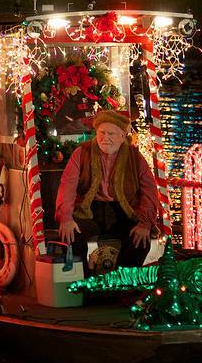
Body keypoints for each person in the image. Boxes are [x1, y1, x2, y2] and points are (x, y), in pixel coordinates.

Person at [56, 110, 159, 269]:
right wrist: (66, 218)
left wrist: (145, 223)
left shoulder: (134, 157)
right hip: (88, 209)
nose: (105, 138)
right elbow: (67, 186)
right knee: (70, 237)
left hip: (124, 209)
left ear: (122, 136)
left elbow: (149, 191)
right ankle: (84, 284)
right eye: (102, 133)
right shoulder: (82, 153)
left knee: (141, 241)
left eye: (111, 133)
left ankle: (120, 283)